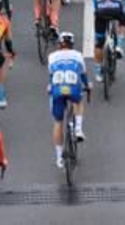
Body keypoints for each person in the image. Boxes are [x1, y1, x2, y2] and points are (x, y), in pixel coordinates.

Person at [47, 30, 90, 168]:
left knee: (58, 122)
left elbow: (52, 75)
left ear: (60, 44)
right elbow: (83, 76)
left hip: (58, 89)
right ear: (72, 44)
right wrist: (88, 86)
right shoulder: (78, 55)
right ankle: (78, 128)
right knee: (78, 100)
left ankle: (59, 157)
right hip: (72, 88)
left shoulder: (52, 56)